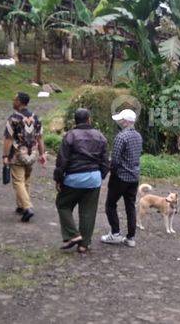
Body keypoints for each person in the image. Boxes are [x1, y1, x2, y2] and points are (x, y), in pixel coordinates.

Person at [53, 108, 109, 253]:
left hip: (74, 178)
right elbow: (105, 161)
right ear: (89, 119)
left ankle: (73, 234)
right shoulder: (100, 136)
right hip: (94, 178)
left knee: (63, 204)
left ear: (75, 120)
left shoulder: (70, 136)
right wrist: (100, 176)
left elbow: (62, 160)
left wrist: (58, 179)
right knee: (88, 212)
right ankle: (84, 245)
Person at [101, 109, 142, 247]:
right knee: (130, 207)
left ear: (126, 121)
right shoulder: (138, 136)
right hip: (134, 177)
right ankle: (130, 238)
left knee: (110, 205)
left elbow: (116, 161)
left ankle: (115, 234)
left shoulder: (121, 137)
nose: (119, 122)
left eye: (120, 120)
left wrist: (109, 173)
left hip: (120, 177)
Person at [2, 92, 46, 222]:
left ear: (20, 102)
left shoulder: (13, 118)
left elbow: (8, 139)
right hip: (31, 154)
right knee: (26, 179)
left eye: (14, 99)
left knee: (18, 181)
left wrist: (5, 155)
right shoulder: (36, 118)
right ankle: (21, 206)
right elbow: (40, 138)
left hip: (17, 154)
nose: (13, 101)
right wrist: (42, 153)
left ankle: (27, 207)